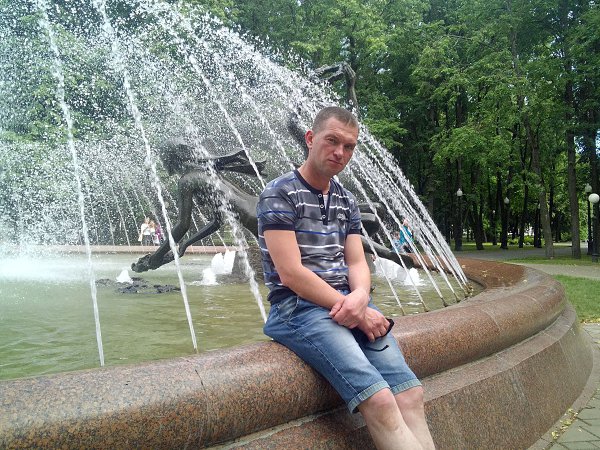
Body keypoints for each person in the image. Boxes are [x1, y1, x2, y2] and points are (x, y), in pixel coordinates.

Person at [257, 106, 435, 449]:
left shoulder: (346, 200)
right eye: (332, 141)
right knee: (379, 400)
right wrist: (355, 309)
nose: (340, 152)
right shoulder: (278, 193)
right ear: (310, 139)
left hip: (348, 303)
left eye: (349, 146)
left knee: (410, 393)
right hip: (297, 309)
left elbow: (356, 262)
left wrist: (361, 298)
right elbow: (291, 274)